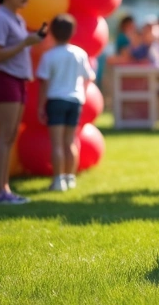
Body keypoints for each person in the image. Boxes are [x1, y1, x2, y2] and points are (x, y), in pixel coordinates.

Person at [0, 0, 44, 205]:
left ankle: (4, 189)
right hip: (3, 79)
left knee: (9, 137)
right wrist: (25, 43)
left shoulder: (16, 19)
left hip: (17, 79)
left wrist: (29, 40)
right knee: (4, 135)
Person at [35, 14, 95, 192]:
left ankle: (58, 180)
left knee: (57, 144)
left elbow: (44, 83)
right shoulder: (80, 53)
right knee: (70, 142)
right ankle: (70, 178)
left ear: (51, 32)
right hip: (75, 101)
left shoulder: (49, 56)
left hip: (56, 100)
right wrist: (81, 95)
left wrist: (40, 106)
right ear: (72, 32)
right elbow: (88, 77)